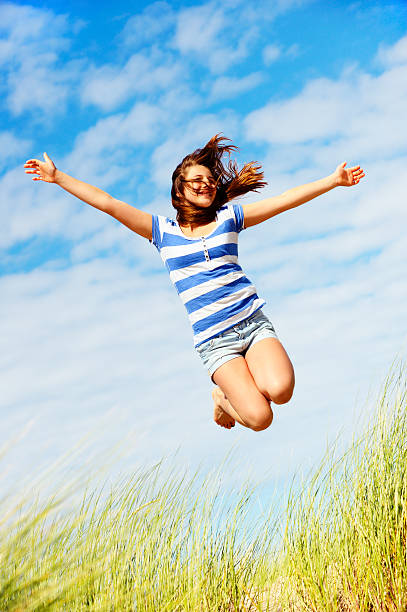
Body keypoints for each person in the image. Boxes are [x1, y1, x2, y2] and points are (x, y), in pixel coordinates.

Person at [24, 135, 365, 432]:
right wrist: (58, 178)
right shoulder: (162, 232)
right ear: (180, 189)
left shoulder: (229, 218)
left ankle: (236, 389)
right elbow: (110, 204)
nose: (206, 184)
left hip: (252, 323)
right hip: (215, 342)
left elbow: (283, 200)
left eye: (210, 180)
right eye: (196, 180)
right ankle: (222, 398)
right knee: (261, 419)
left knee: (281, 391)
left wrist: (332, 181)